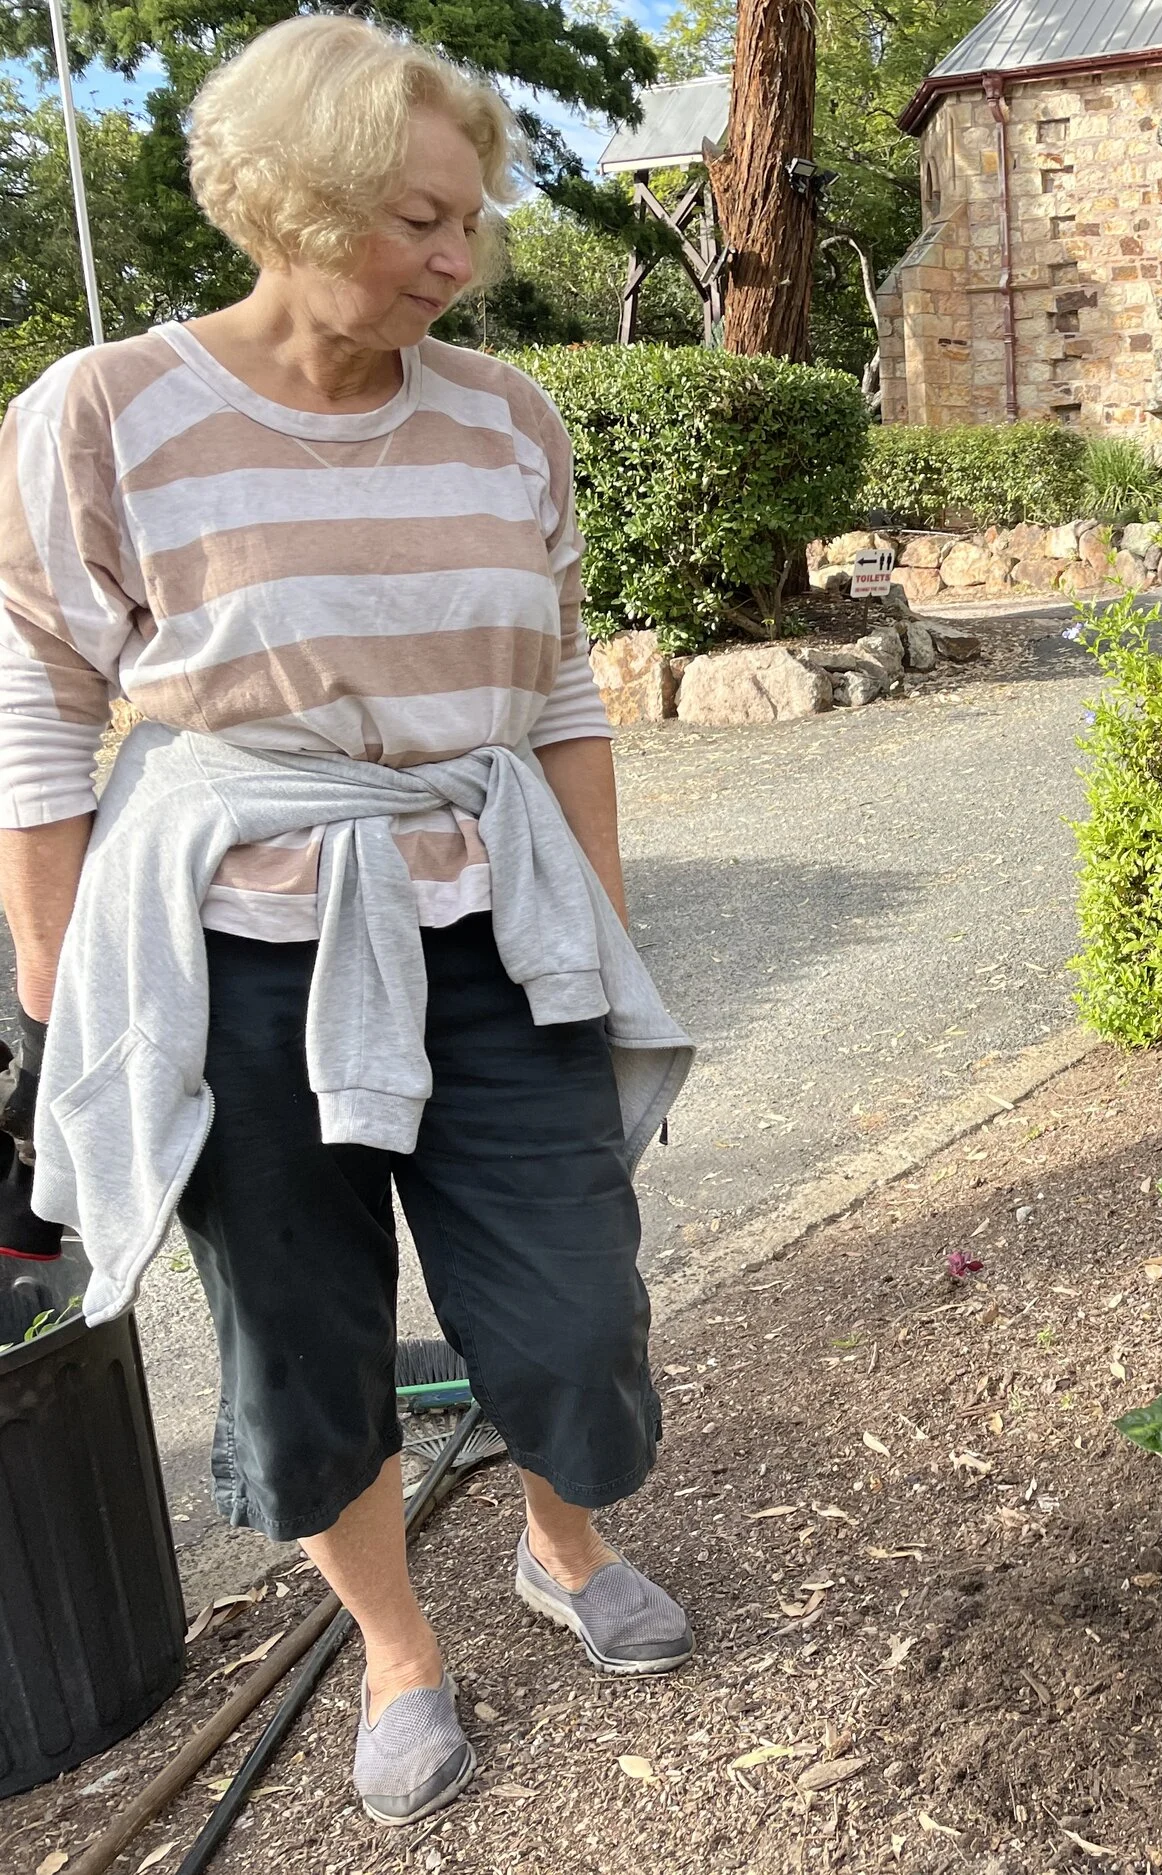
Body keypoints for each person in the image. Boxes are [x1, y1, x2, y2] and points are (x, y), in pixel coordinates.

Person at [0, 16, 695, 1827]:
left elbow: (563, 691)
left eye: (472, 221)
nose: (461, 261)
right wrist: (56, 980)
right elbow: (41, 699)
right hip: (235, 947)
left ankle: (562, 1541)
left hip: (494, 923)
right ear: (294, 205)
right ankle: (397, 1649)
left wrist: (602, 917)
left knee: (576, 1307)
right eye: (418, 222)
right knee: (301, 1339)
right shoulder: (105, 413)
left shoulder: (508, 417)